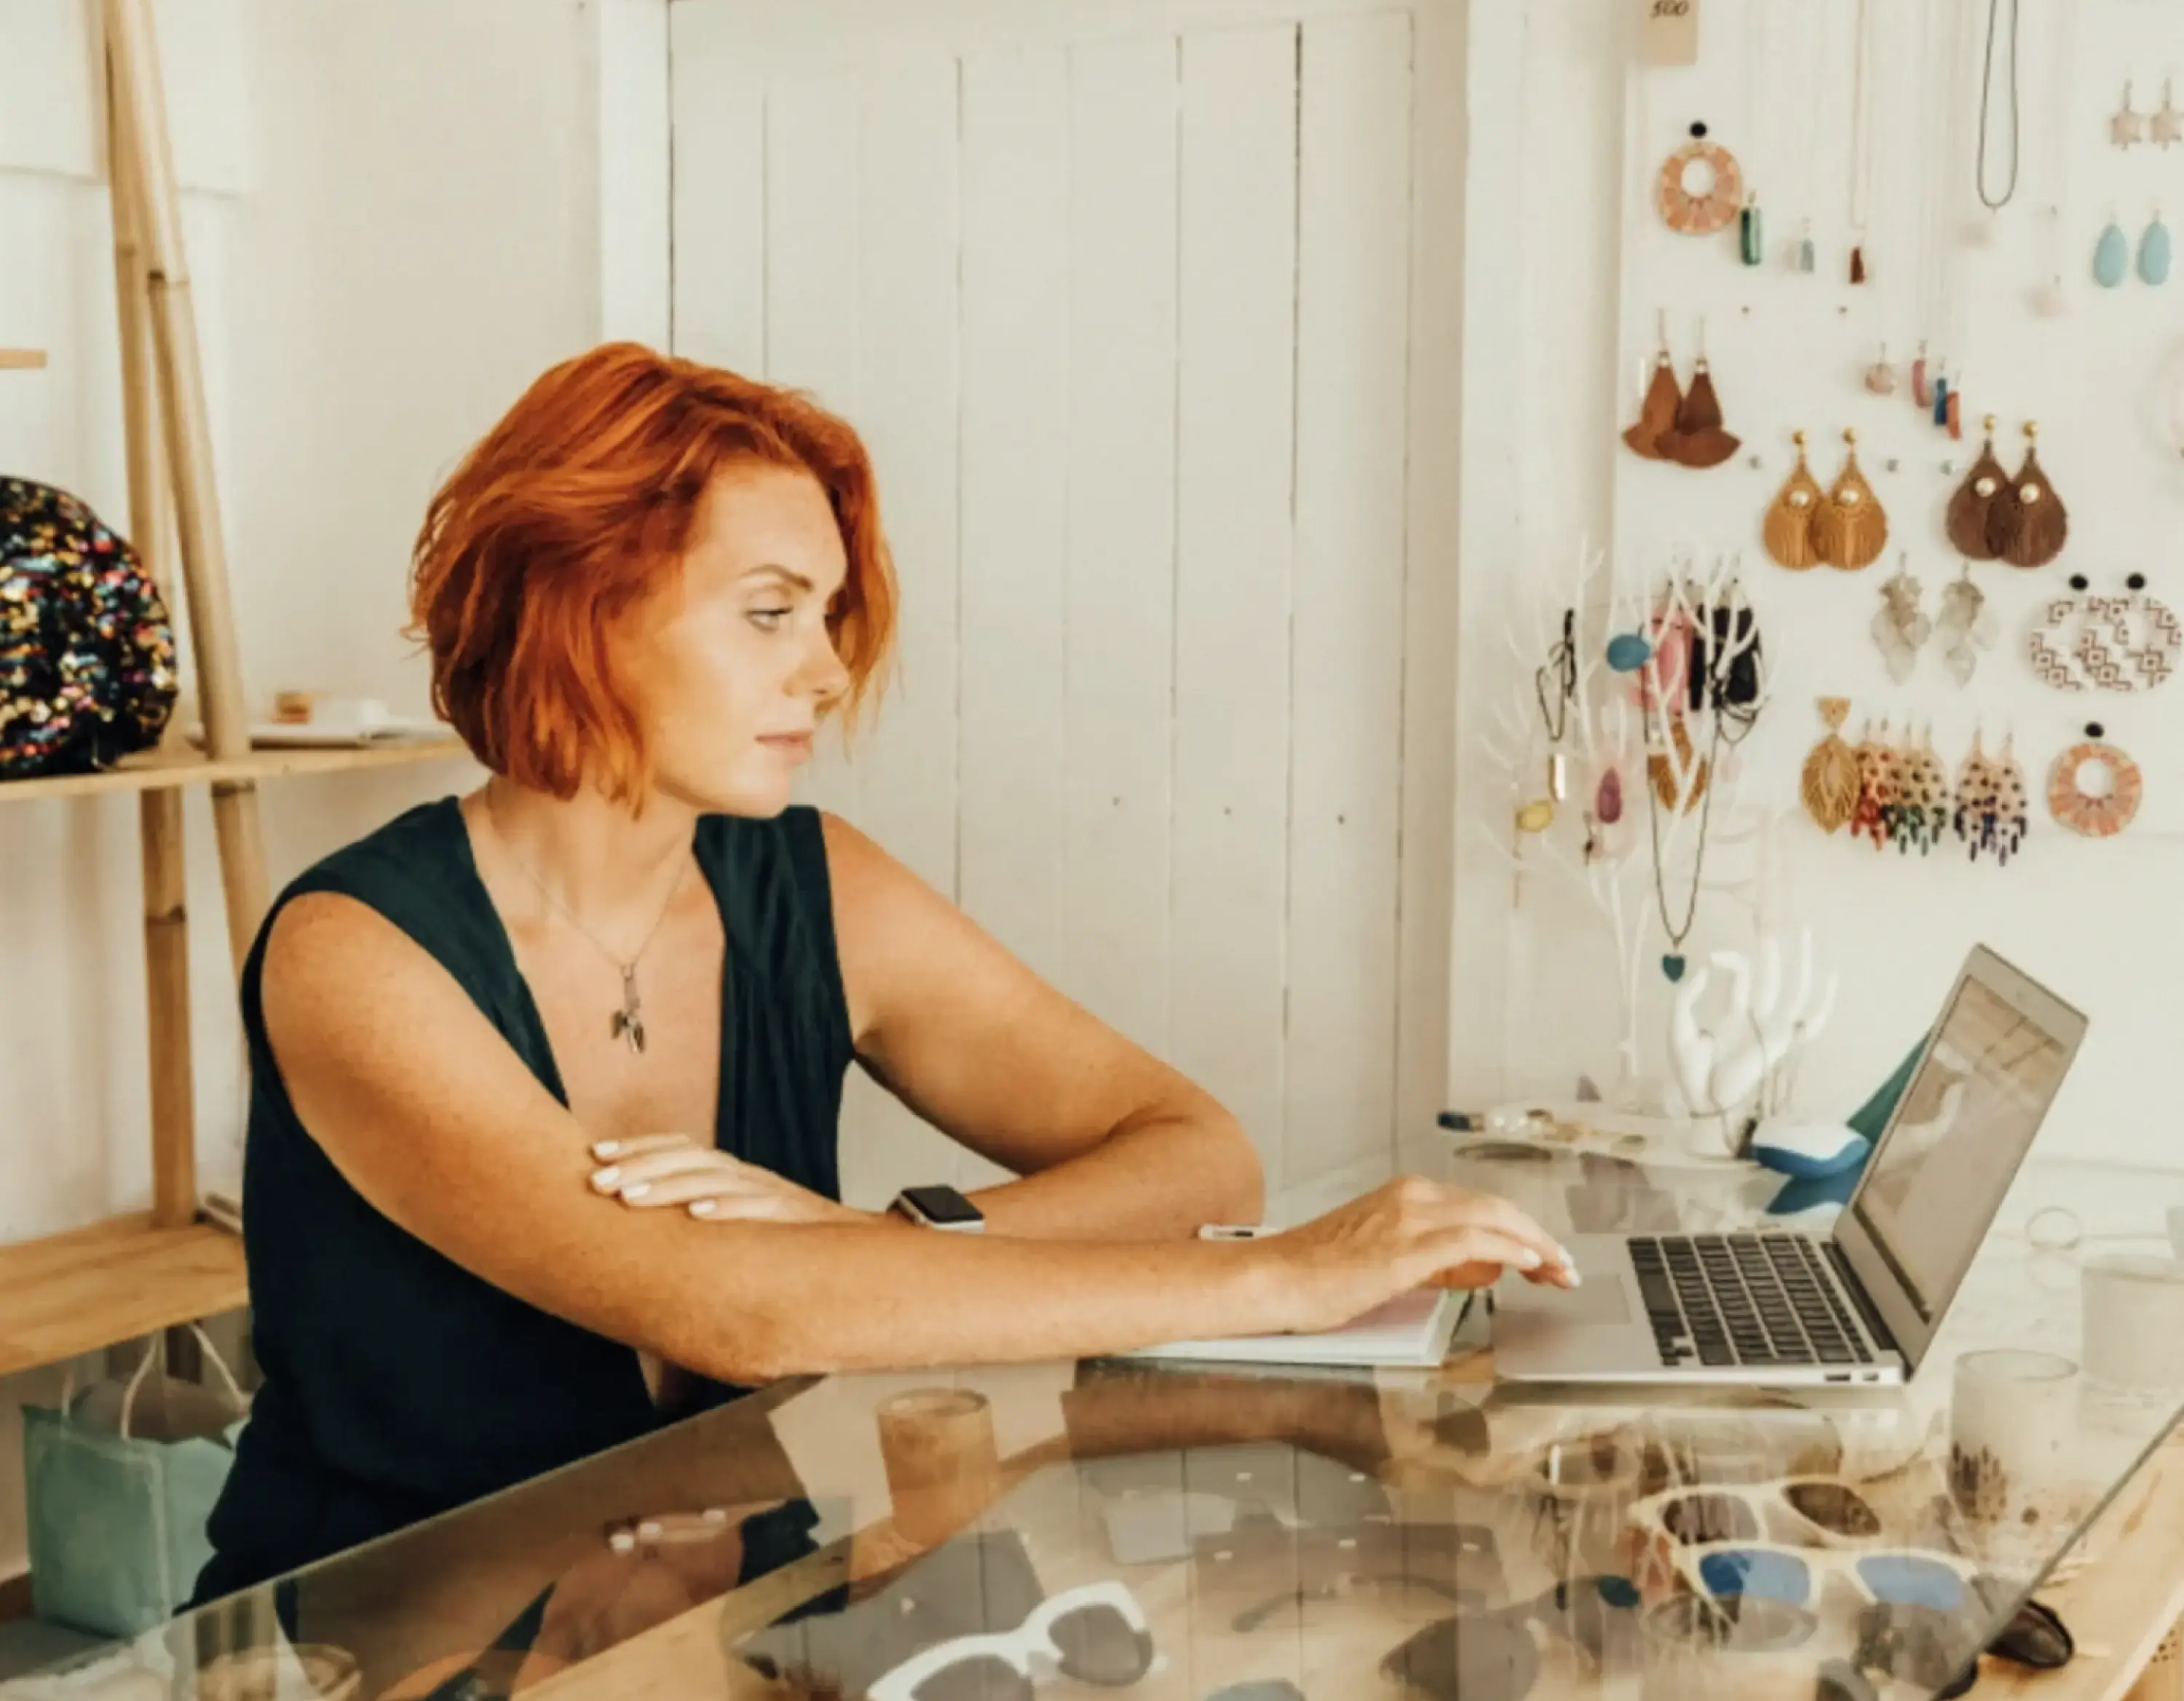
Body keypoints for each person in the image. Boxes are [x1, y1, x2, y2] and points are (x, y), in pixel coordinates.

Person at [195, 344, 1573, 1600]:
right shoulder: (353, 950)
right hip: (382, 1673)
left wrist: (882, 1243)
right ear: (583, 602)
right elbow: (733, 1309)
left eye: (831, 615)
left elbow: (1198, 1157)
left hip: (721, 1637)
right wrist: (1281, 1285)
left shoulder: (818, 884)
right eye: (772, 613)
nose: (833, 673)